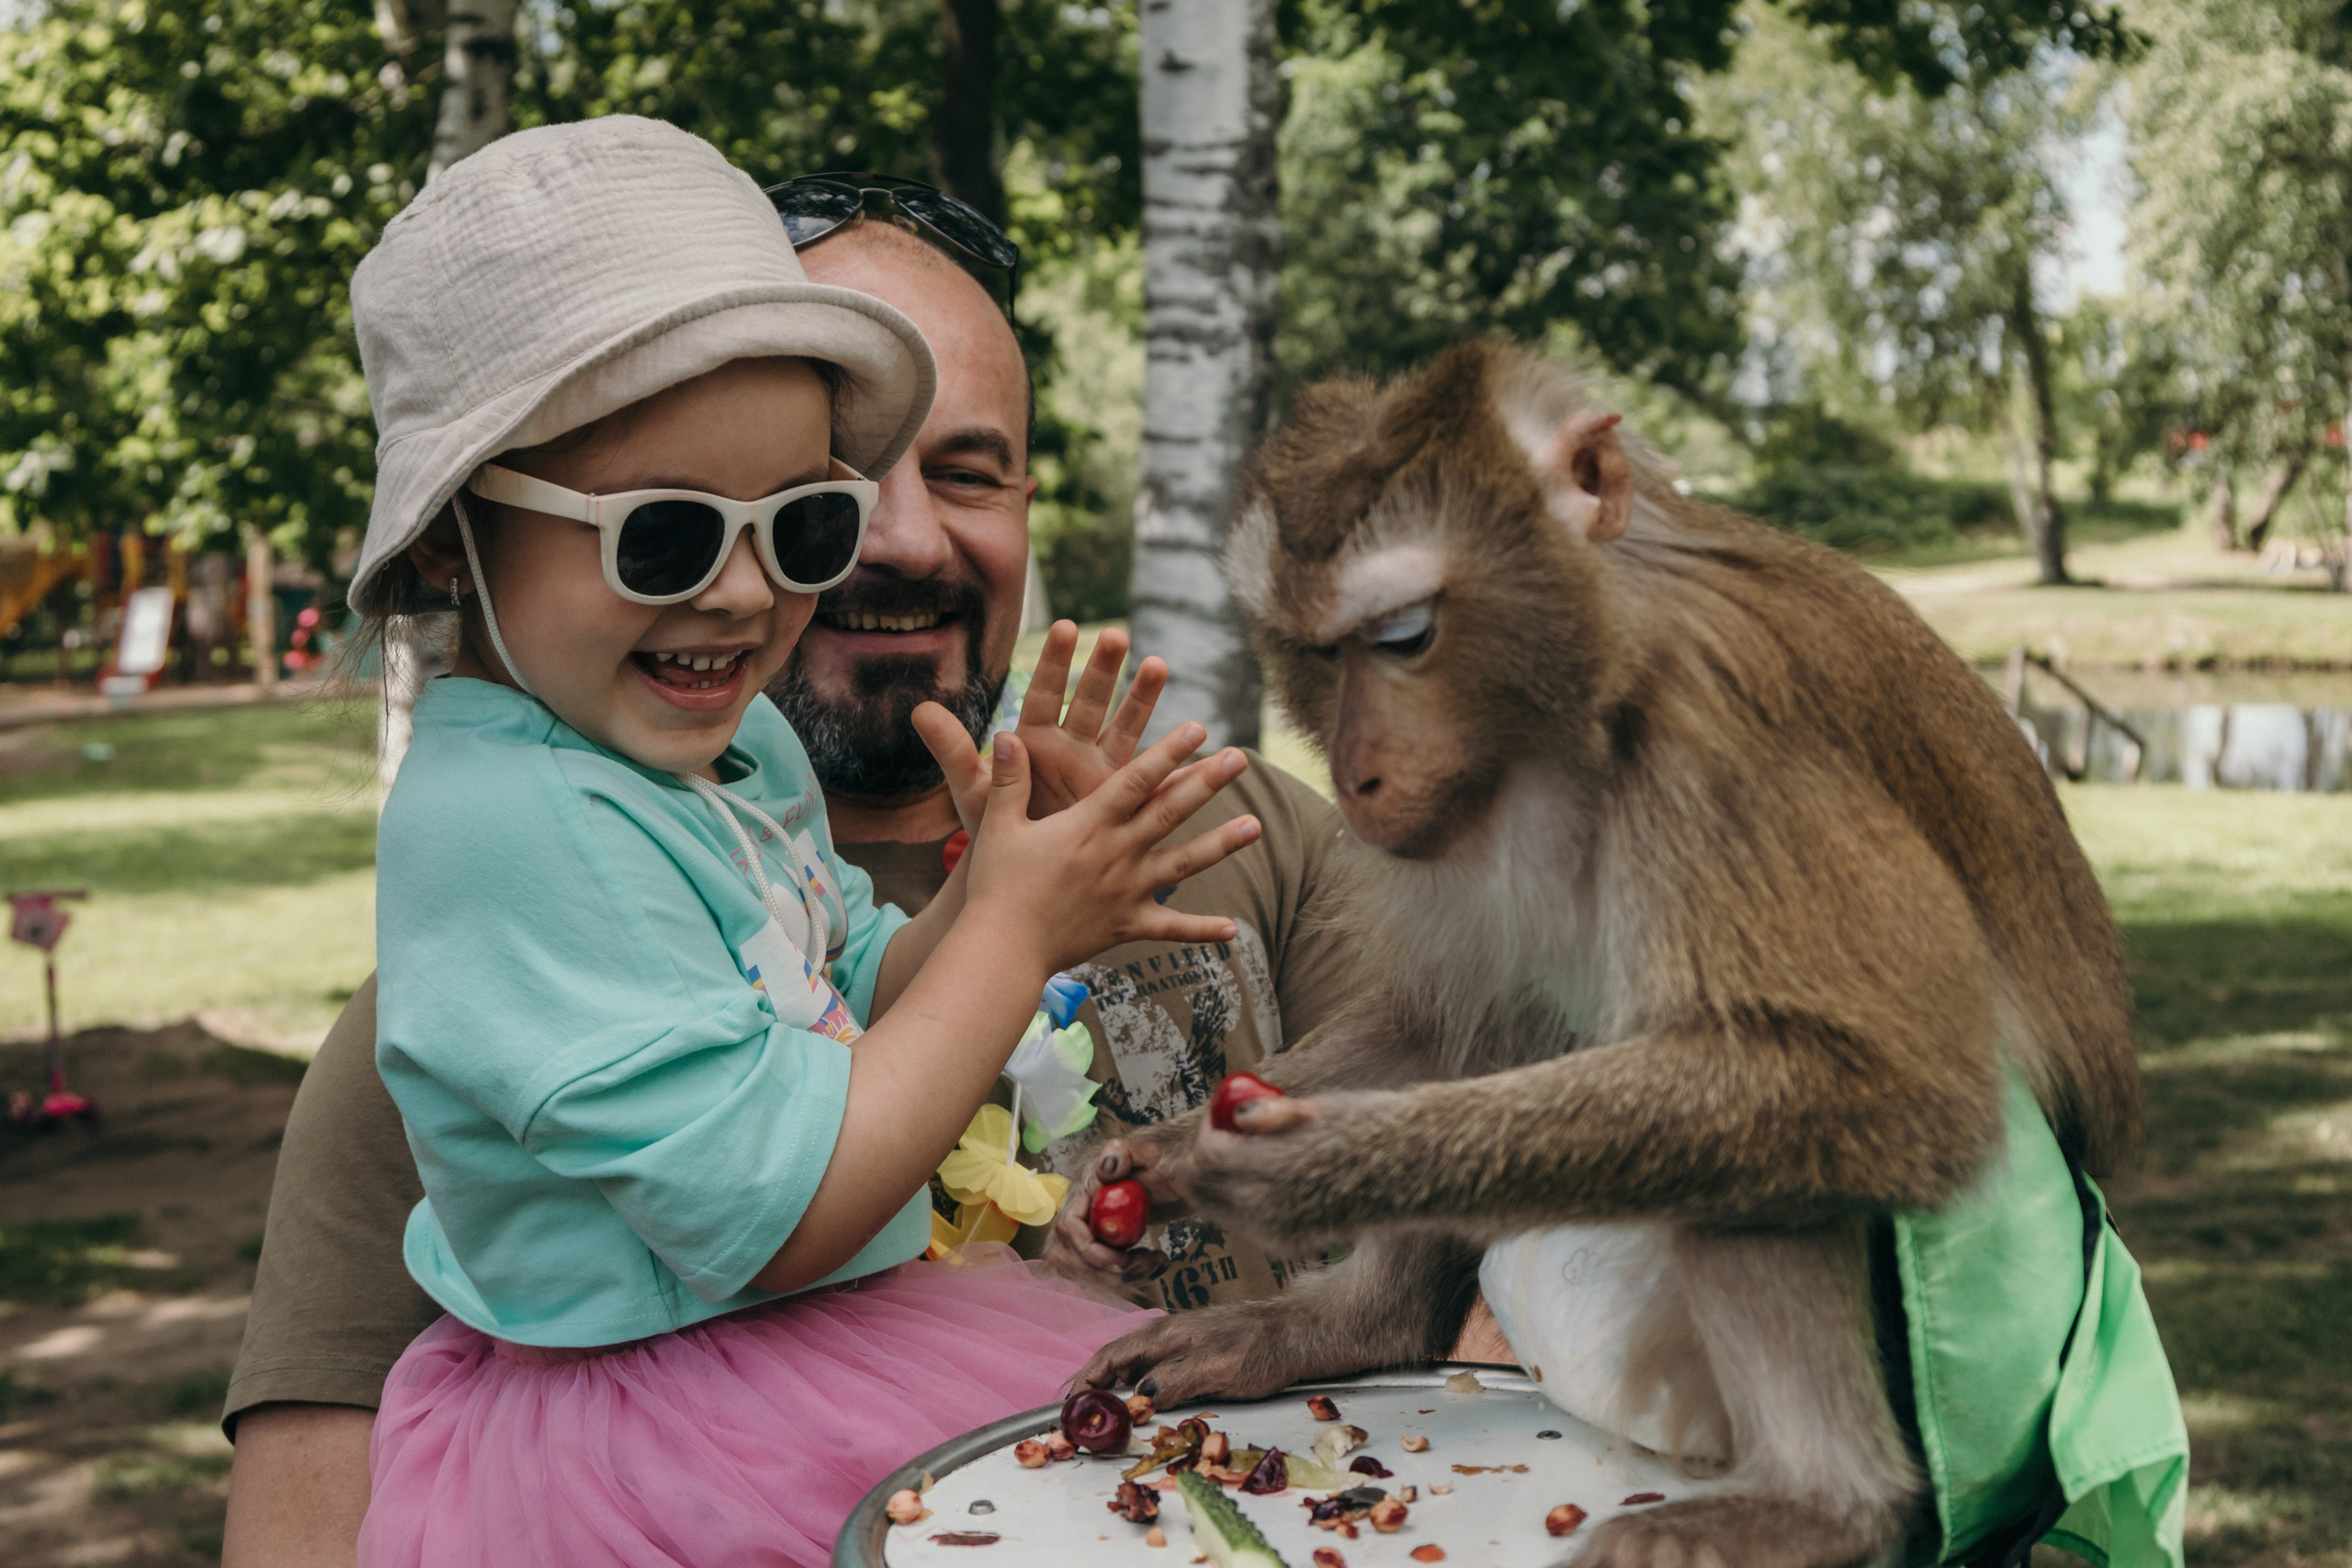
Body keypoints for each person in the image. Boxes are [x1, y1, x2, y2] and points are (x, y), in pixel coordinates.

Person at [220, 154, 1361, 1562]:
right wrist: (1009, 931)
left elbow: (848, 998)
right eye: (666, 535)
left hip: (811, 1364)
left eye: (792, 522)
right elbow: (782, 1210)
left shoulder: (721, 767)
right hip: (651, 1445)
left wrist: (1005, 890)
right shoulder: (511, 848)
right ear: (460, 543)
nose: (753, 586)